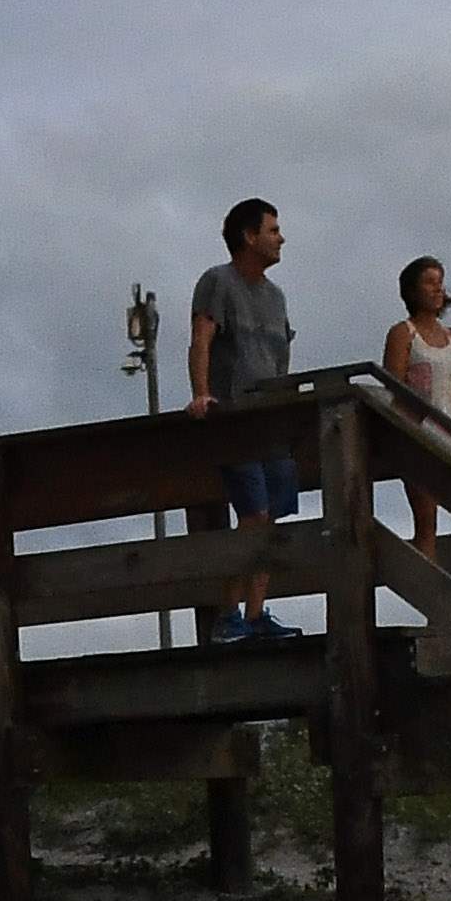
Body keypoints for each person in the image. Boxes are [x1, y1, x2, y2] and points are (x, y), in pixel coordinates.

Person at [183, 196, 298, 642]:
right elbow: (201, 340)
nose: (280, 237)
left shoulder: (277, 297)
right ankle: (228, 615)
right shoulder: (218, 282)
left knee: (269, 519)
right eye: (272, 230)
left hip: (271, 420)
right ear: (249, 237)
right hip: (234, 418)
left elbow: (281, 357)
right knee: (253, 514)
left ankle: (255, 613)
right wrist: (201, 394)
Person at [381, 255, 451, 603]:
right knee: (427, 523)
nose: (438, 289)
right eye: (429, 282)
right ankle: (435, 607)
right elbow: (393, 388)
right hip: (421, 436)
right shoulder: (403, 334)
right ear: (413, 289)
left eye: (440, 282)